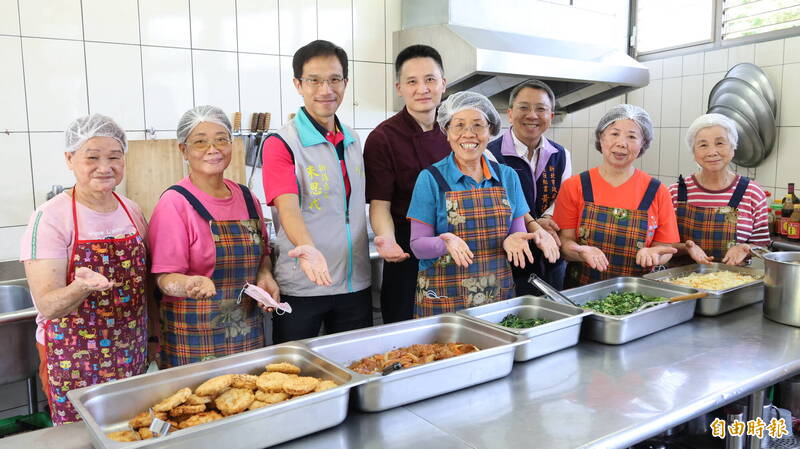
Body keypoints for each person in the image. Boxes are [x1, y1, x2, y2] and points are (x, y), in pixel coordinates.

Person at [20, 114, 152, 425]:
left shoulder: (131, 209)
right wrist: (83, 286)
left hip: (131, 349)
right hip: (73, 356)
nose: (105, 167)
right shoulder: (51, 217)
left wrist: (154, 340)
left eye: (114, 157)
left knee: (131, 429)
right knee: (79, 437)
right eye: (92, 157)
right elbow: (48, 305)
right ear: (70, 158)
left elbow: (145, 285)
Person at [148, 105, 277, 368]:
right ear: (183, 150)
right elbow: (163, 279)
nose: (213, 149)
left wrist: (265, 276)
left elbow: (262, 254)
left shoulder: (247, 197)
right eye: (200, 142)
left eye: (221, 139)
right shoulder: (175, 203)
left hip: (246, 333)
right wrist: (187, 285)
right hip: (192, 337)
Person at [262, 40, 372, 342]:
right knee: (294, 378)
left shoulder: (353, 140)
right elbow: (288, 208)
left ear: (345, 83)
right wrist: (308, 249)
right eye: (314, 80)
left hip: (355, 284)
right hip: (303, 285)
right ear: (298, 84)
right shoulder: (281, 143)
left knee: (355, 373)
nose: (326, 89)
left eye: (334, 79)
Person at [407, 91, 548, 317]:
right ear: (447, 132)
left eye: (477, 125)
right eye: (459, 125)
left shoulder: (507, 177)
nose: (468, 134)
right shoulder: (430, 178)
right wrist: (445, 242)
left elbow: (518, 232)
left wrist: (515, 239)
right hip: (443, 299)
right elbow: (417, 245)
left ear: (490, 131)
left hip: (497, 297)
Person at [363, 44, 451, 324]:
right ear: (399, 87)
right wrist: (387, 240)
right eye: (412, 81)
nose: (422, 89)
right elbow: (380, 204)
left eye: (430, 80)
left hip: (455, 248)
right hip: (407, 252)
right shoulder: (383, 138)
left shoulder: (457, 129)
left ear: (443, 84)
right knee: (407, 335)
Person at [552, 104, 680, 287]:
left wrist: (655, 254)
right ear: (601, 137)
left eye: (632, 136)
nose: (621, 143)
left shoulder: (657, 191)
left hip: (638, 296)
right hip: (580, 293)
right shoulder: (575, 186)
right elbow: (565, 243)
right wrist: (581, 251)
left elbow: (667, 247)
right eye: (614, 134)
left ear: (643, 143)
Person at [487, 79, 571, 291]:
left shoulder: (561, 154)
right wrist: (534, 225)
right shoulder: (491, 154)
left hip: (551, 254)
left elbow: (563, 197)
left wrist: (547, 219)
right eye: (524, 107)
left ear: (550, 116)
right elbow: (503, 201)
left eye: (541, 109)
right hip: (510, 255)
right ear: (510, 113)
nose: (532, 115)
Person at [668, 113, 770, 266]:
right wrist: (686, 247)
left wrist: (746, 248)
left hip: (734, 283)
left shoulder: (753, 193)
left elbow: (762, 245)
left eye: (720, 143)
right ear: (694, 153)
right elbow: (661, 245)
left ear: (733, 148)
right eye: (703, 145)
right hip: (680, 283)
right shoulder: (674, 193)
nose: (712, 152)